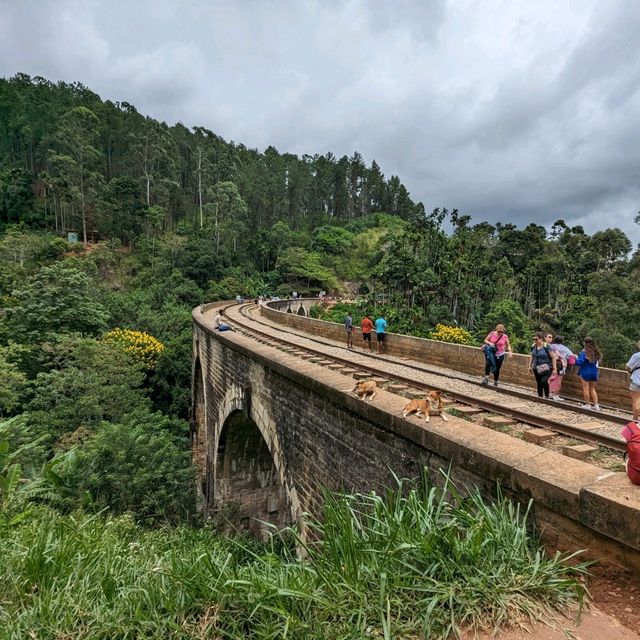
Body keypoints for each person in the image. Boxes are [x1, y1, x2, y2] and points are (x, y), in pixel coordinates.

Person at [575, 336, 601, 410]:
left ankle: (588, 405)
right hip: (594, 372)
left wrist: (575, 358)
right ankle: (596, 405)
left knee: (585, 388)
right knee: (592, 389)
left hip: (585, 371)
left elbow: (580, 362)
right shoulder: (595, 352)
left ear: (585, 343)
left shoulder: (584, 351)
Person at [529, 332, 556, 398]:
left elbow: (553, 357)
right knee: (538, 382)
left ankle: (547, 395)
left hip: (547, 367)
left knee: (544, 381)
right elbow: (532, 356)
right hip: (536, 367)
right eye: (534, 339)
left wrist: (554, 368)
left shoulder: (546, 346)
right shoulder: (533, 346)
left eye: (536, 339)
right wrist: (529, 366)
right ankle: (540, 396)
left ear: (541, 339)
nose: (535, 341)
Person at [548, 335, 574, 401]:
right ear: (562, 341)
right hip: (562, 366)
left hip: (552, 365)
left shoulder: (551, 346)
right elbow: (571, 355)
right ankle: (556, 395)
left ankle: (550, 393)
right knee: (558, 381)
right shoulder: (564, 348)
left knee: (552, 379)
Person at [626, 341, 640, 423]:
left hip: (637, 381)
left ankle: (635, 420)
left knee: (636, 401)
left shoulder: (636, 355)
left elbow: (628, 367)